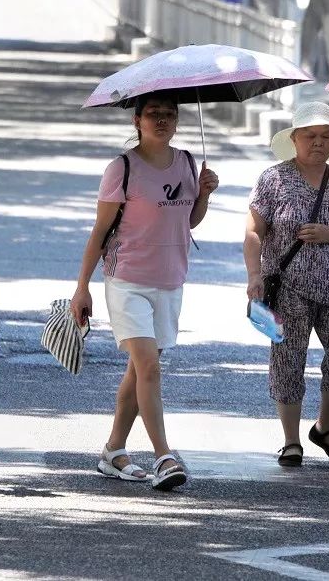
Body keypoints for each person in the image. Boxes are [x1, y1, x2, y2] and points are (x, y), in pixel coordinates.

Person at [69, 92, 219, 492]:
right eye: (153, 114)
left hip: (170, 279)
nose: (161, 120)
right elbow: (100, 231)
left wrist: (204, 193)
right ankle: (164, 457)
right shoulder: (122, 168)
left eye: (169, 114)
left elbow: (190, 221)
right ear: (137, 120)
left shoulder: (187, 162)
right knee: (150, 366)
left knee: (139, 371)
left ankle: (114, 450)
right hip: (127, 279)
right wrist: (82, 288)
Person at [244, 102, 329, 467]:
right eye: (310, 136)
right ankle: (291, 441)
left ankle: (324, 427)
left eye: (325, 136)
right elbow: (254, 231)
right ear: (295, 139)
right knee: (288, 362)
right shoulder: (274, 179)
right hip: (288, 290)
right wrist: (254, 274)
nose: (318, 142)